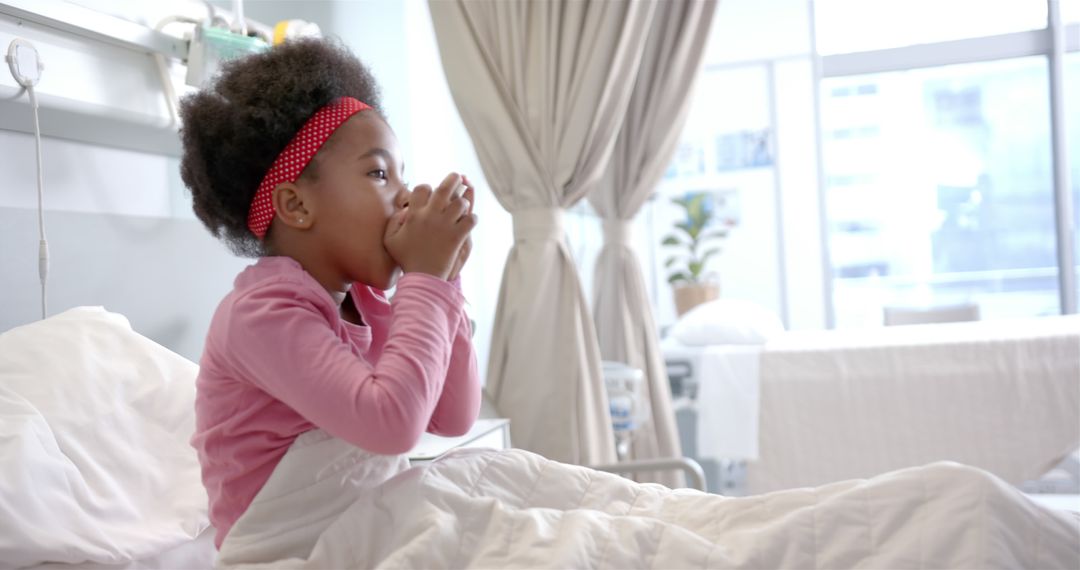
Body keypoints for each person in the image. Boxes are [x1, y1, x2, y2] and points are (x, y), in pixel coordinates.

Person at [179, 37, 480, 551]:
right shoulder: (259, 315)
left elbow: (452, 417)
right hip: (284, 548)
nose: (405, 195)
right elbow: (392, 425)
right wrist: (425, 280)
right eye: (379, 173)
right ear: (296, 205)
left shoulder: (365, 302)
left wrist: (443, 279)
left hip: (363, 530)